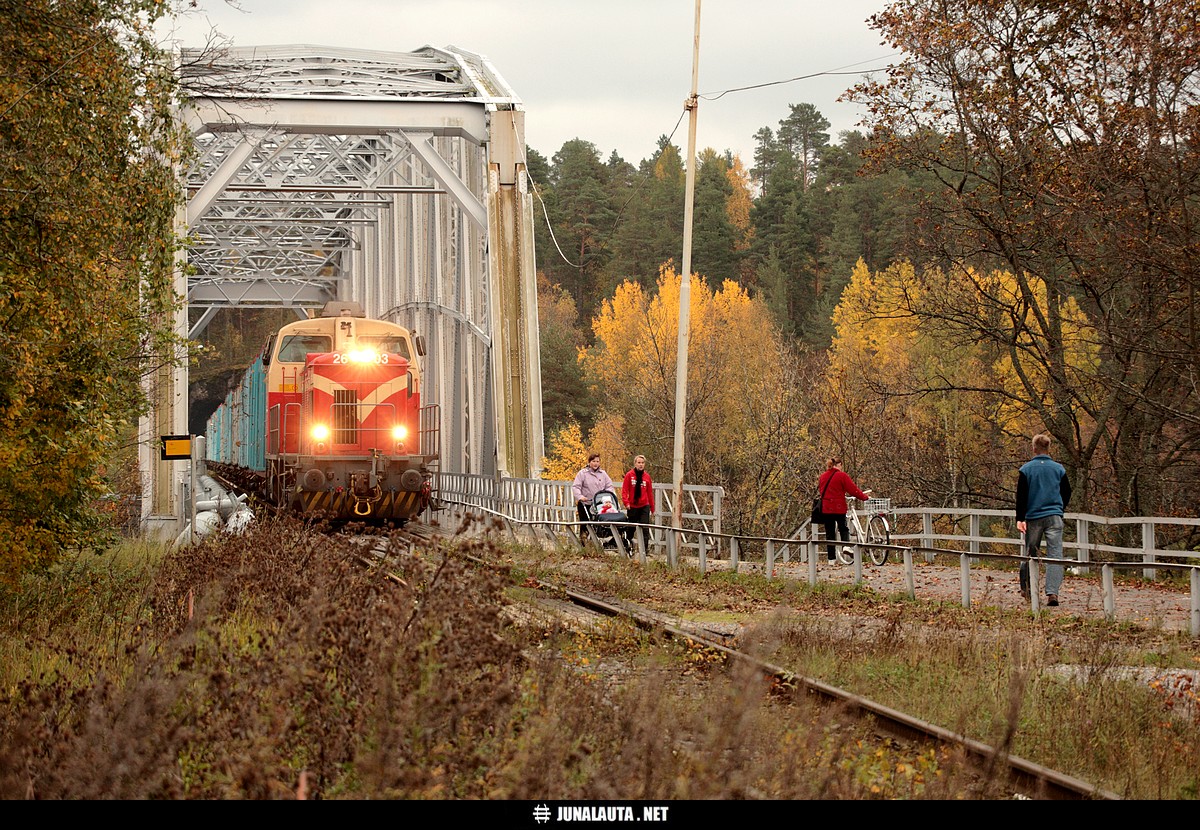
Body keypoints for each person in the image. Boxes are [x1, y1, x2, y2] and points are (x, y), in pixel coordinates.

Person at [1016, 433, 1072, 607]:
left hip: (1033, 517)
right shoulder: (1059, 469)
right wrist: (1059, 509)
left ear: (1034, 449)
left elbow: (1021, 496)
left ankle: (1028, 589)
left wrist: (1020, 518)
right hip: (1054, 516)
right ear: (1048, 448)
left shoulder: (1026, 469)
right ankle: (1052, 593)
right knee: (1055, 555)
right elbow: (1067, 491)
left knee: (1031, 554)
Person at [815, 457, 871, 562]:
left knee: (830, 533)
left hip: (826, 508)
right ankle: (845, 546)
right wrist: (864, 497)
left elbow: (822, 491)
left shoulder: (822, 477)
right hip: (839, 507)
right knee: (843, 528)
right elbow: (853, 490)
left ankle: (831, 559)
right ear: (839, 464)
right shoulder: (842, 476)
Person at [572, 452, 614, 544]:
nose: (595, 463)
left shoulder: (603, 474)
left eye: (597, 461)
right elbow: (576, 486)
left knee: (598, 524)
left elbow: (609, 486)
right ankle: (583, 543)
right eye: (593, 461)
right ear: (589, 462)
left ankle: (597, 542)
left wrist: (608, 496)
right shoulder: (583, 473)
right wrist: (580, 497)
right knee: (585, 524)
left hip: (599, 504)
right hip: (585, 503)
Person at [620, 455, 654, 551]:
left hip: (644, 505)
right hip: (633, 505)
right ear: (635, 463)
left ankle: (645, 549)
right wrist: (626, 503)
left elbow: (650, 493)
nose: (641, 465)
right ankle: (627, 545)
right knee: (631, 528)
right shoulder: (629, 475)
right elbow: (624, 491)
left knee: (645, 528)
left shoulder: (647, 477)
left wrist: (652, 508)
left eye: (642, 463)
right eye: (639, 463)